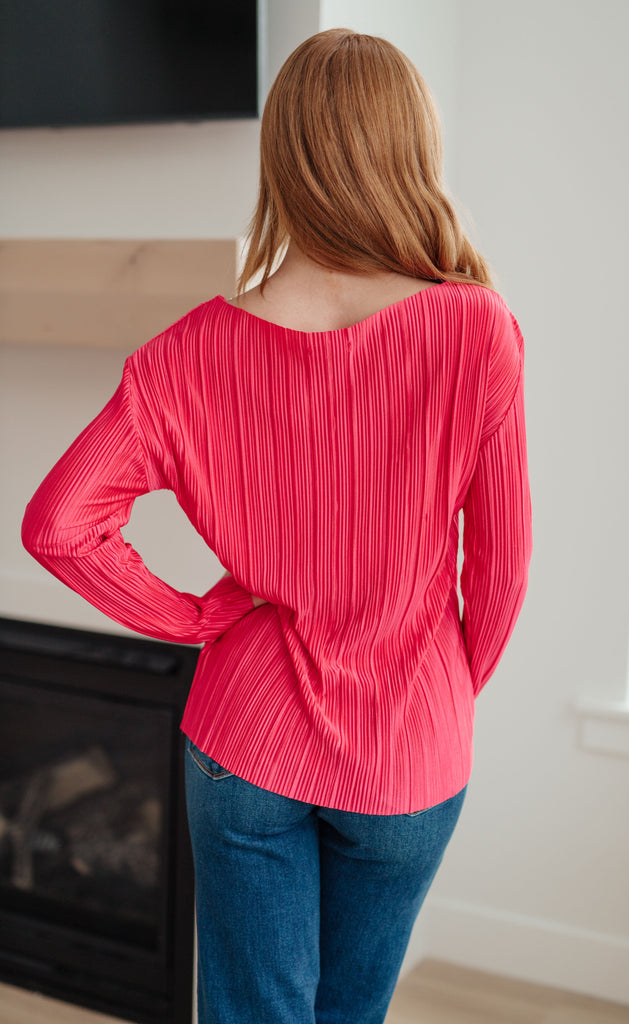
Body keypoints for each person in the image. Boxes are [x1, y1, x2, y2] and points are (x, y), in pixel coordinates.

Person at [21, 27, 532, 1024]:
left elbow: (58, 526)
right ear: (410, 150)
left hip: (245, 732)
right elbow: (502, 573)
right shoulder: (477, 327)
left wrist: (190, 618)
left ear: (282, 158)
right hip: (409, 751)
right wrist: (432, 699)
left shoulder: (185, 355)